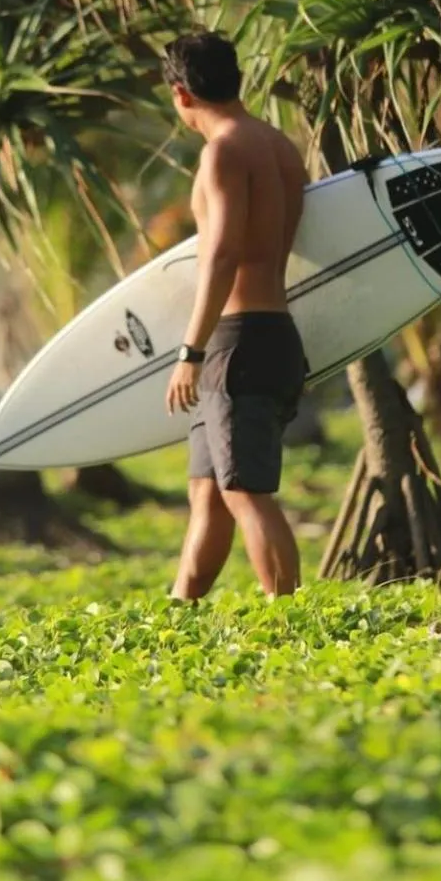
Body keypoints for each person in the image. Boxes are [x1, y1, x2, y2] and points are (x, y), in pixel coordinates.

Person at [162, 31, 309, 599]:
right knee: (210, 491)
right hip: (274, 334)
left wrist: (190, 351)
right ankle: (181, 609)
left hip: (237, 343)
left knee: (245, 491)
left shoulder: (222, 150)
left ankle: (288, 614)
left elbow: (221, 254)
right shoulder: (278, 145)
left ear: (180, 95)